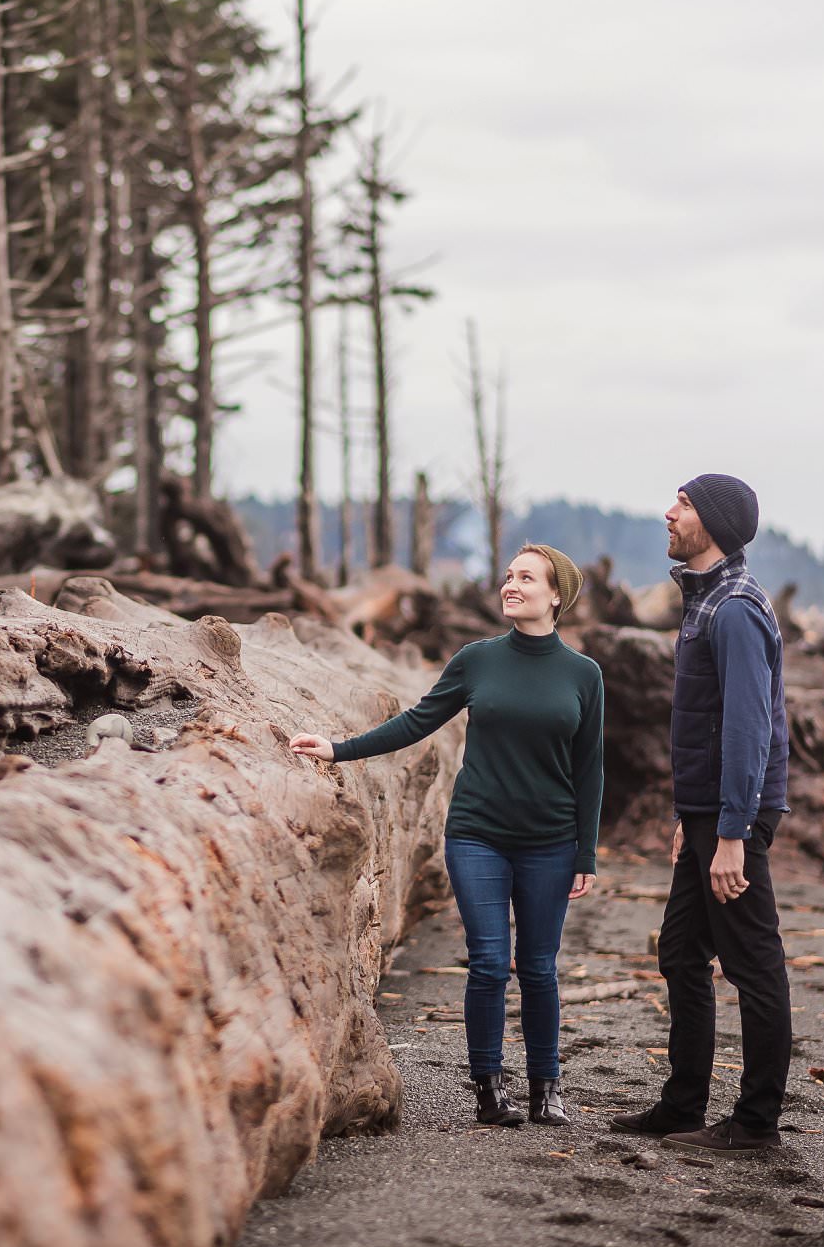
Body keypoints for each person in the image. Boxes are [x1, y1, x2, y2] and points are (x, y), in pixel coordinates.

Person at [290, 544, 604, 1128]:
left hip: (551, 843)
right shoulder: (477, 660)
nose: (511, 585)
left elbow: (590, 768)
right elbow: (417, 720)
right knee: (488, 962)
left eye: (526, 578)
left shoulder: (584, 676)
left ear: (557, 594)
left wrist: (585, 849)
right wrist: (338, 749)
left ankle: (546, 1088)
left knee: (538, 967)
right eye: (508, 576)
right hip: (478, 834)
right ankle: (488, 1087)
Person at [611, 473, 793, 1155]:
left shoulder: (736, 608)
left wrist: (731, 835)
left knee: (753, 963)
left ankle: (756, 1123)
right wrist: (692, 823)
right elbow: (708, 726)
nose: (668, 513)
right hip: (709, 816)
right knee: (682, 952)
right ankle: (683, 1105)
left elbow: (748, 730)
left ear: (710, 521)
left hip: (733, 817)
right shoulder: (708, 601)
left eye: (681, 505)